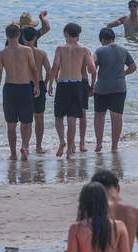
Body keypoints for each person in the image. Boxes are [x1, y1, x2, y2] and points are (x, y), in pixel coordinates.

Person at [0, 25, 40, 161]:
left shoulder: (1, 54)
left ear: (6, 35)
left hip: (9, 89)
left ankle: (13, 153)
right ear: (19, 35)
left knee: (11, 125)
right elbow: (34, 69)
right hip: (24, 87)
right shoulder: (27, 50)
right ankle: (24, 146)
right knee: (27, 122)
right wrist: (37, 86)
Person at [49, 23, 96, 159]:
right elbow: (92, 69)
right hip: (77, 84)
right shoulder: (84, 50)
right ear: (78, 34)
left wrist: (50, 83)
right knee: (72, 118)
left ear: (66, 33)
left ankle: (62, 141)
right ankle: (69, 151)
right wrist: (92, 84)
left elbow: (55, 66)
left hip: (63, 84)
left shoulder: (60, 49)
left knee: (59, 117)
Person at [93, 28, 136, 153]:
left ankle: (99, 144)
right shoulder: (123, 50)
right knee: (117, 116)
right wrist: (123, 74)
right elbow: (133, 67)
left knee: (99, 115)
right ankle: (114, 146)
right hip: (119, 87)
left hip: (102, 87)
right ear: (113, 38)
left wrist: (90, 85)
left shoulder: (99, 51)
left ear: (102, 39)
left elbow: (93, 68)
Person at [23, 27, 52, 154]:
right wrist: (45, 83)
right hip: (38, 84)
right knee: (39, 117)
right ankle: (38, 147)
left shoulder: (21, 52)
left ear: (23, 38)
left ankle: (25, 146)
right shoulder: (41, 53)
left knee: (25, 119)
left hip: (23, 85)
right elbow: (49, 71)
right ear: (35, 38)